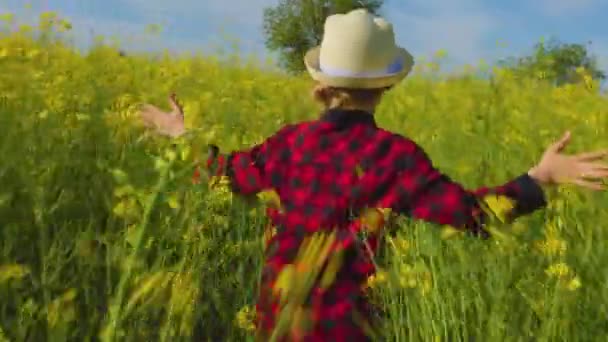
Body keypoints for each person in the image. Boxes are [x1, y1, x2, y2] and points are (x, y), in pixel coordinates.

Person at [138, 8, 607, 341]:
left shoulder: (289, 143)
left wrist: (181, 136)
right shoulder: (395, 156)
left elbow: (225, 176)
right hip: (350, 329)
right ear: (386, 86)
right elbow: (473, 214)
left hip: (279, 322)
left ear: (319, 85)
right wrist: (540, 177)